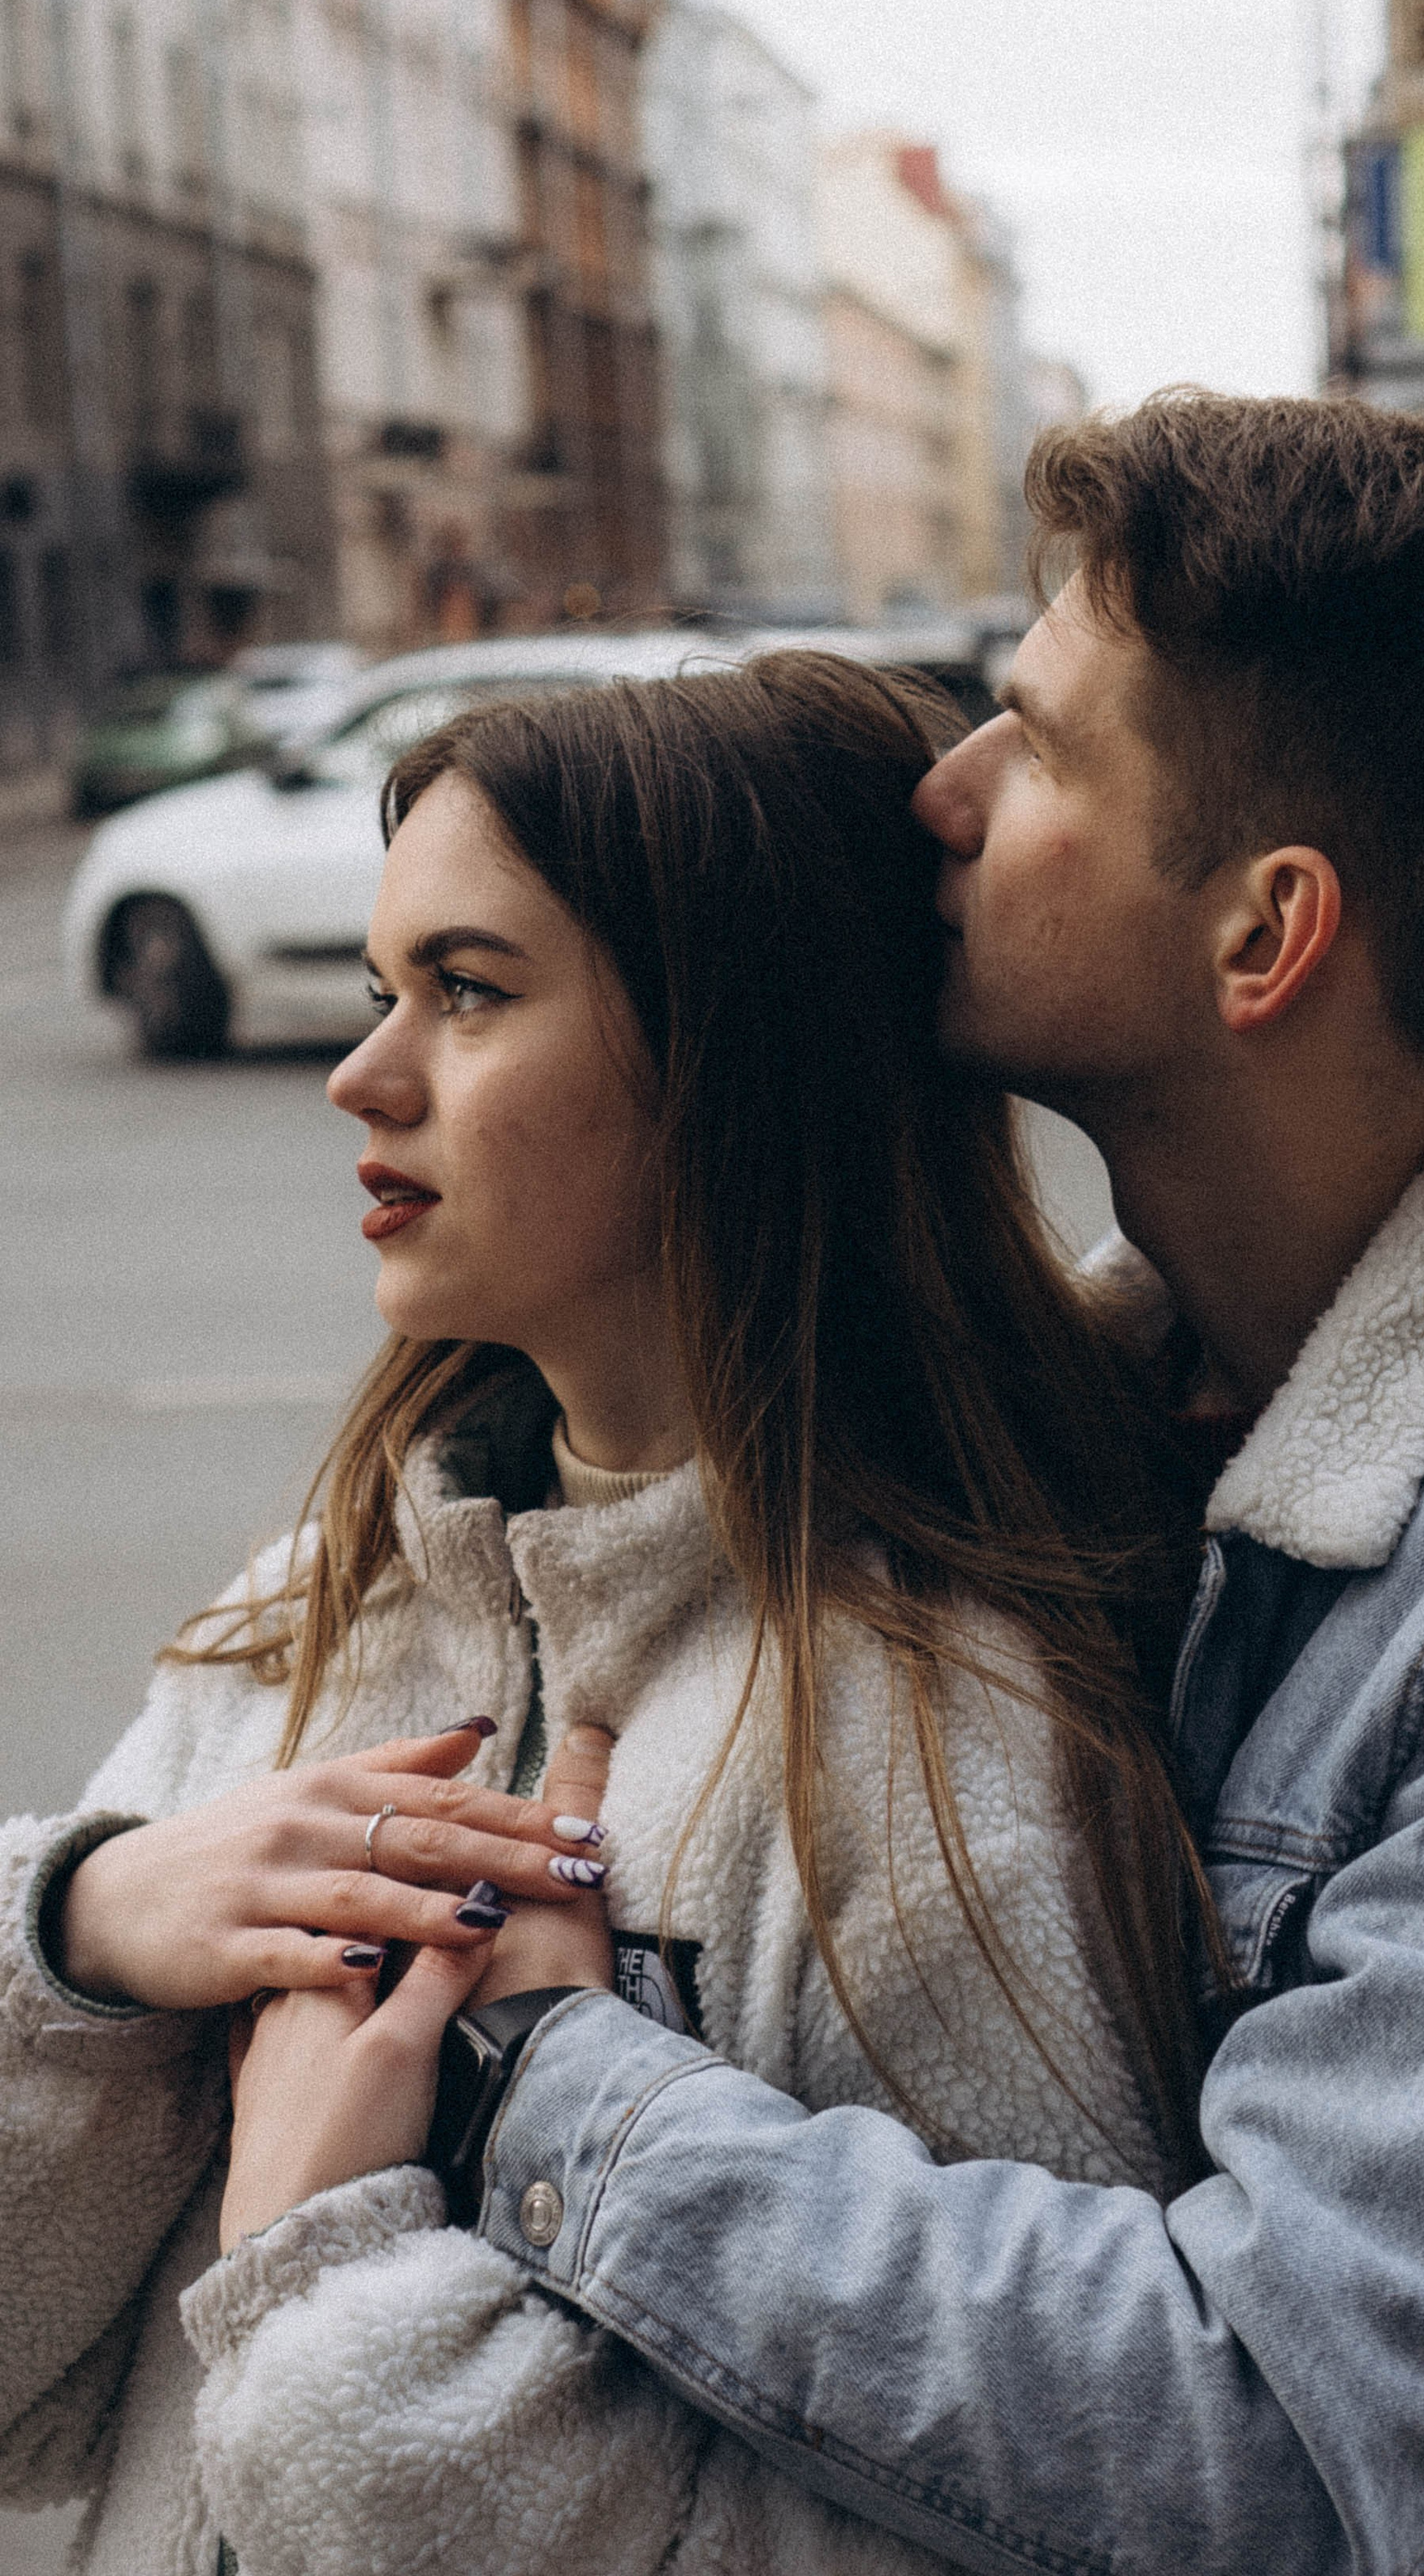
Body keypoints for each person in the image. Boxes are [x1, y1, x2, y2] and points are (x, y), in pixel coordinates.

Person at [433, 395, 1424, 2575]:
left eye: (1044, 749)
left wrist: (556, 2082)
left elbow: (1276, 2434)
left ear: (1266, 936)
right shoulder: (1123, 1396)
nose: (942, 796)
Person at [0, 654, 1210, 2574]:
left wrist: (334, 2297)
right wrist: (79, 1934)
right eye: (386, 983)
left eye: (467, 991)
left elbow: (1004, 2518)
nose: (361, 1071)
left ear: (730, 1057)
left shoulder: (929, 1752)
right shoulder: (343, 1584)